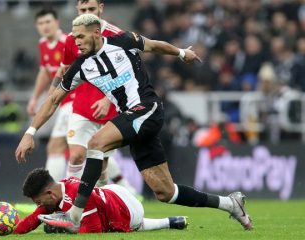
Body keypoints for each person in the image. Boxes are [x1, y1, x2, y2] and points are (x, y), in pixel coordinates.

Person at [15, 14, 253, 232]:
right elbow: (54, 99)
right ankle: (230, 204)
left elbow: (154, 45)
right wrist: (30, 131)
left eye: (81, 36)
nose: (76, 41)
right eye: (74, 37)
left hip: (147, 108)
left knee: (95, 143)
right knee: (165, 192)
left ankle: (75, 214)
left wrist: (181, 53)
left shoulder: (122, 41)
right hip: (134, 122)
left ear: (97, 32)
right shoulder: (80, 66)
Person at [52, 0, 138, 193]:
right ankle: (68, 202)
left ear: (101, 8)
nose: (87, 13)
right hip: (81, 107)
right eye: (83, 10)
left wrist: (108, 99)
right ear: (77, 10)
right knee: (75, 156)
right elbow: (64, 71)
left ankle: (102, 206)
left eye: (91, 9)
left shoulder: (117, 36)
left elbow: (128, 73)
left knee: (101, 168)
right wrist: (51, 97)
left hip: (110, 110)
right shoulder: (72, 39)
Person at [0, 168, 188, 235]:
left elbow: (93, 232)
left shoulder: (78, 198)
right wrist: (7, 231)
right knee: (61, 222)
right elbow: (34, 218)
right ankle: (172, 222)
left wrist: (63, 229)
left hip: (129, 207)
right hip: (112, 193)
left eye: (39, 201)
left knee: (131, 225)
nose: (39, 206)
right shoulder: (58, 191)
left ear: (49, 194)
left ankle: (168, 222)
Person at [26, 9, 71, 181]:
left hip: (75, 101)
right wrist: (35, 98)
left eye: (48, 22)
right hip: (64, 102)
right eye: (40, 23)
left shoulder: (67, 41)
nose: (44, 26)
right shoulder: (43, 44)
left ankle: (52, 194)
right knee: (93, 148)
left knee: (55, 147)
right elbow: (45, 72)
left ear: (57, 23)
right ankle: (126, 186)